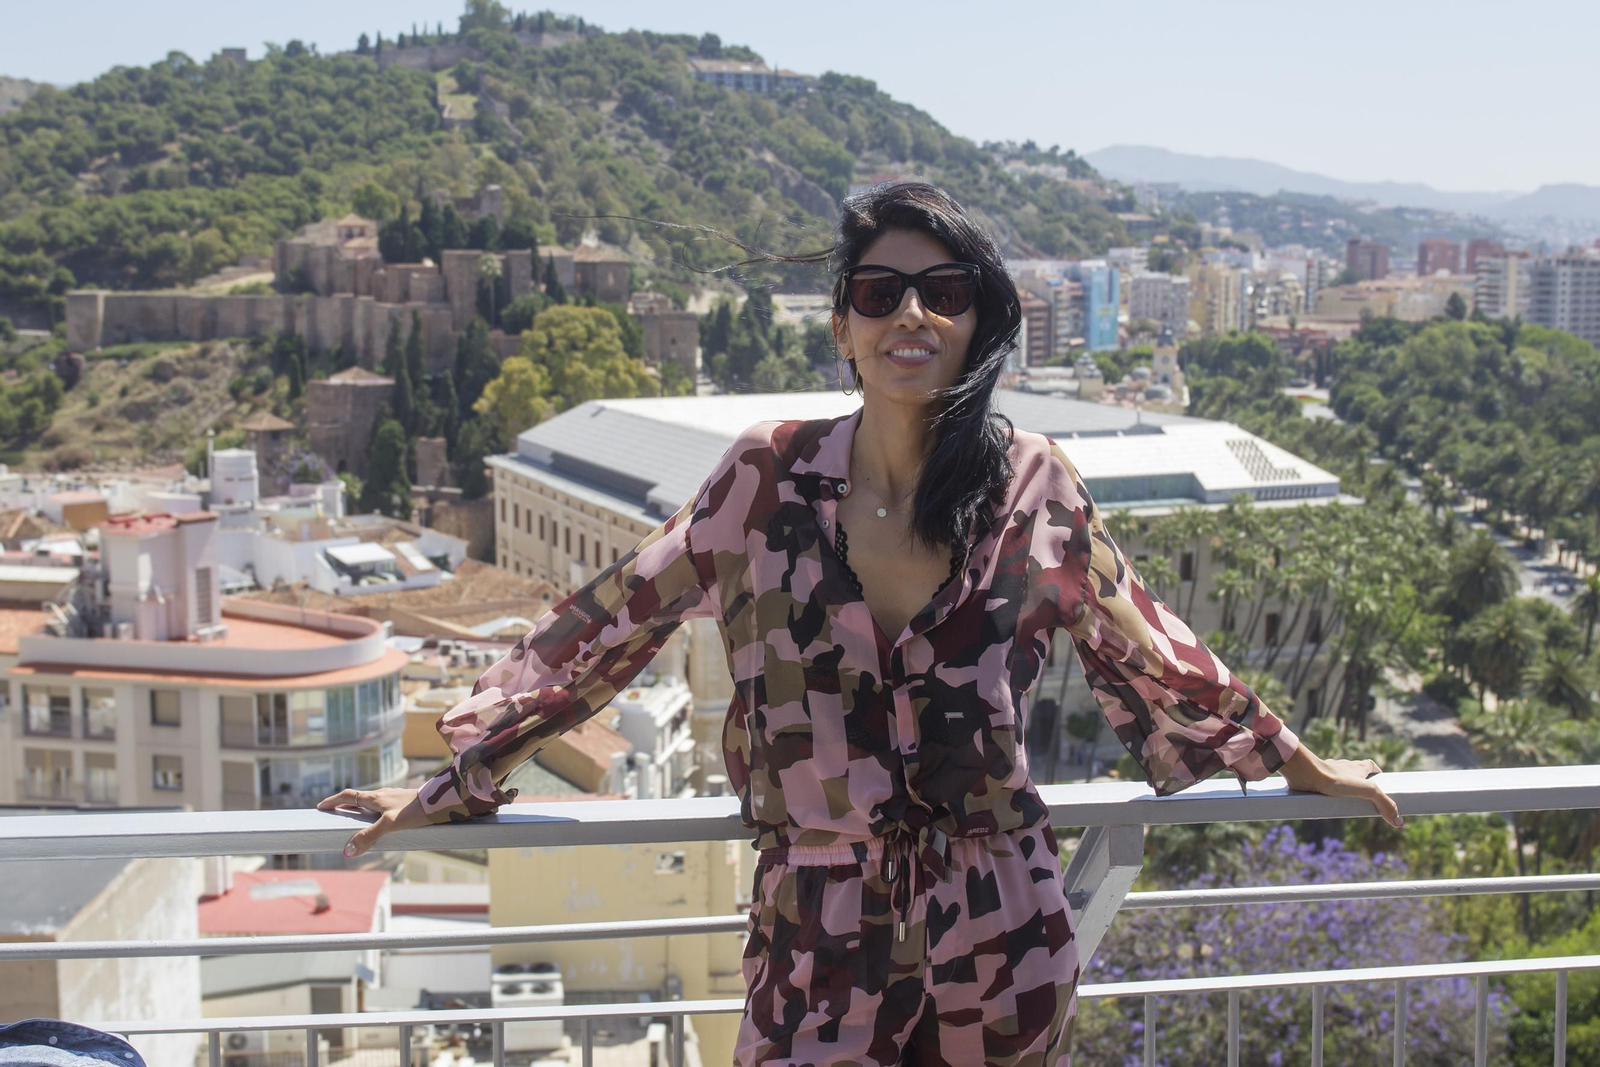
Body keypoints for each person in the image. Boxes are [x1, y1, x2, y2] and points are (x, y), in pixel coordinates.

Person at [320, 183, 1401, 1065]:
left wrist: (1297, 762)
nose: (910, 316)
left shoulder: (1031, 483)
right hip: (816, 937)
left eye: (944, 292)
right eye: (880, 292)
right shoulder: (767, 473)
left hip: (1001, 922)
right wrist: (454, 771)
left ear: (981, 321)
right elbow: (609, 622)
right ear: (840, 323)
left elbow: (1145, 639)